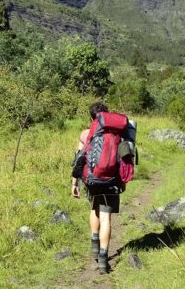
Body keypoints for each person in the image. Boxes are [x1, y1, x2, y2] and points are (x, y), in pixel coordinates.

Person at [71, 102, 127, 273]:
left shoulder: (86, 134)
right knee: (106, 217)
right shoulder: (118, 132)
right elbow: (126, 157)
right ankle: (103, 259)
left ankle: (94, 245)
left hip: (93, 180)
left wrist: (74, 183)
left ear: (92, 117)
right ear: (108, 116)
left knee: (95, 207)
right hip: (112, 180)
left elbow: (79, 159)